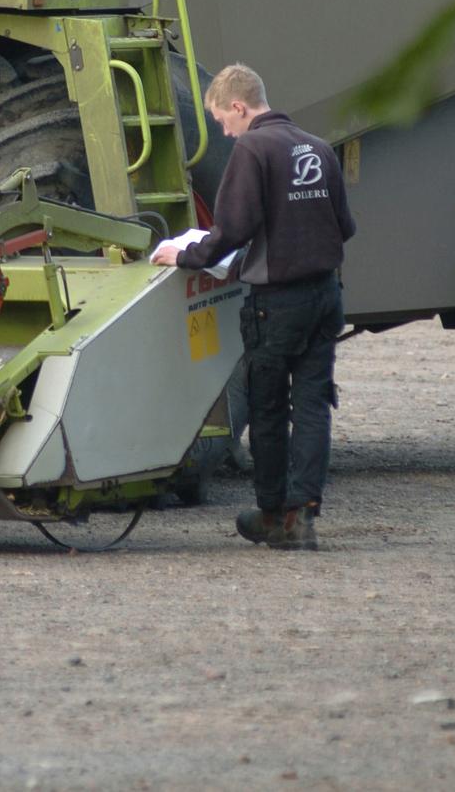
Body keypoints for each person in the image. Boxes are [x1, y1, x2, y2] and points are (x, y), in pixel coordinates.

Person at [152, 63, 355, 550]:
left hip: (277, 303)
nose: (224, 130)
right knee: (312, 406)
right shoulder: (320, 148)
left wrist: (186, 255)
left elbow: (232, 231)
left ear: (240, 107)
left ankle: (270, 513)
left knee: (266, 408)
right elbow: (344, 225)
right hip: (326, 296)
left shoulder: (253, 148)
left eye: (223, 119)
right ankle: (303, 515)